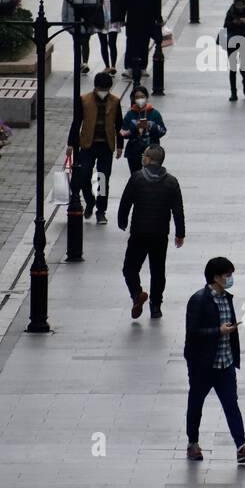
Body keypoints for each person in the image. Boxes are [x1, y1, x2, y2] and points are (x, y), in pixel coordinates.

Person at [183, 257, 245, 464]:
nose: (230, 278)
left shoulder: (227, 298)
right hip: (203, 364)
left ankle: (241, 447)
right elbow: (192, 332)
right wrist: (218, 331)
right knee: (196, 404)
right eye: (227, 275)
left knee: (231, 404)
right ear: (215, 277)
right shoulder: (198, 300)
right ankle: (193, 443)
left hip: (225, 363)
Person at [117, 144, 185, 318]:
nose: (143, 157)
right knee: (157, 270)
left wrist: (122, 221)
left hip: (139, 233)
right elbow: (178, 209)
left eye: (144, 155)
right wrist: (180, 233)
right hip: (160, 234)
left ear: (149, 159)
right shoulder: (171, 181)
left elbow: (125, 202)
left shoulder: (137, 178)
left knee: (130, 268)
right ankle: (156, 305)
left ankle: (137, 294)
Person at [66, 71, 125, 225]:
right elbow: (76, 122)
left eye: (106, 89)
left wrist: (120, 146)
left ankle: (101, 211)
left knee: (103, 179)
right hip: (87, 144)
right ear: (95, 87)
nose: (103, 92)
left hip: (106, 146)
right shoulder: (84, 100)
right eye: (101, 88)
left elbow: (119, 124)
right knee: (83, 176)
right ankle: (90, 201)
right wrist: (71, 144)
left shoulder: (115, 101)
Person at [120, 0, 161, 85]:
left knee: (144, 44)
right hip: (133, 22)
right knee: (131, 44)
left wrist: (158, 18)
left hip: (147, 22)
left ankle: (142, 67)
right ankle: (129, 68)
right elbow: (124, 5)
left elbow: (156, 4)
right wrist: (122, 18)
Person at [120, 85, 167, 176]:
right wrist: (134, 128)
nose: (140, 99)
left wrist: (151, 126)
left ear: (146, 97)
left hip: (152, 151)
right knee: (136, 176)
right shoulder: (130, 114)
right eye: (137, 97)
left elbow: (163, 131)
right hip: (134, 151)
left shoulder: (154, 113)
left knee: (151, 175)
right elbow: (123, 132)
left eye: (142, 97)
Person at [223, 0, 245, 101]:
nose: (239, 6)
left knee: (243, 68)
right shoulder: (231, 11)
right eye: (238, 4)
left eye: (241, 4)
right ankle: (233, 92)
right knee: (232, 69)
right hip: (232, 41)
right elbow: (225, 25)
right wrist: (234, 23)